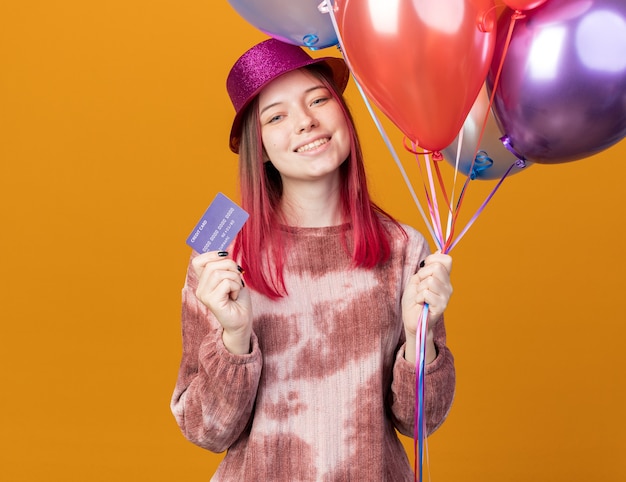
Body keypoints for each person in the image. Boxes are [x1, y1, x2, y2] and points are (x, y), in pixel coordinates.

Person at [171, 38, 455, 481]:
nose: (305, 122)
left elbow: (420, 422)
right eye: (277, 116)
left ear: (343, 113)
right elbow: (206, 430)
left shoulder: (404, 249)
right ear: (259, 146)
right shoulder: (223, 259)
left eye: (319, 99)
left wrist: (422, 340)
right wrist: (234, 336)